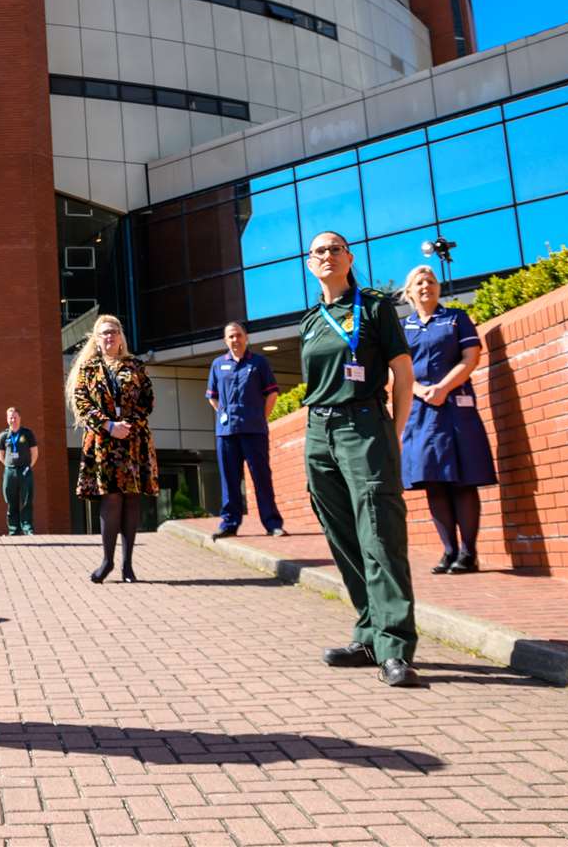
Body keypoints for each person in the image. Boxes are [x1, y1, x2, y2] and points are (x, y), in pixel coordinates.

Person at [300, 230, 420, 687]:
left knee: (379, 535)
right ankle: (369, 634)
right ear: (310, 265)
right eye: (318, 252)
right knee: (343, 537)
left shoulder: (373, 308)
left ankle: (395, 647)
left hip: (364, 426)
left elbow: (402, 373)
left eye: (334, 249)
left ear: (348, 258)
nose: (327, 256)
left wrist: (395, 431)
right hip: (319, 431)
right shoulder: (310, 322)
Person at [400, 265, 496, 575]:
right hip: (421, 413)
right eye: (419, 282)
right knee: (435, 483)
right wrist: (419, 390)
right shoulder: (403, 328)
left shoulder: (457, 319)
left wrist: (443, 388)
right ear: (409, 292)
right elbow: (398, 371)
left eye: (431, 281)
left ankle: (469, 553)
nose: (426, 286)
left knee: (464, 481)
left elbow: (471, 358)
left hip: (455, 408)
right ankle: (449, 550)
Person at [68, 314, 156, 583]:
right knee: (111, 498)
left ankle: (128, 566)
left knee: (131, 498)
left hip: (133, 440)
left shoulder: (136, 366)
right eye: (104, 333)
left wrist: (127, 424)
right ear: (97, 338)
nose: (109, 337)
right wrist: (108, 425)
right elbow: (82, 403)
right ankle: (107, 561)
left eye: (114, 332)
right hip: (103, 443)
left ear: (121, 337)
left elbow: (147, 401)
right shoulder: (88, 368)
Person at [206, 321, 284, 539]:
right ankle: (229, 524)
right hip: (226, 432)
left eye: (238, 335)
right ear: (225, 340)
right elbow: (212, 396)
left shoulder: (259, 363)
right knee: (229, 479)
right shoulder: (217, 364)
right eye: (230, 336)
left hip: (254, 430)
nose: (235, 340)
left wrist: (261, 416)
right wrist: (223, 413)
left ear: (246, 338)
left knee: (261, 477)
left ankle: (272, 523)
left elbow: (272, 393)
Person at [0, 407, 39, 535]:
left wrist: (29, 466)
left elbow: (35, 453)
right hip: (10, 472)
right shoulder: (3, 435)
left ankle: (27, 529)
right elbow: (0, 455)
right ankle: (13, 529)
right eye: (10, 417)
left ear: (20, 418)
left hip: (25, 471)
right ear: (7, 419)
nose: (13, 420)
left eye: (15, 417)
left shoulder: (27, 433)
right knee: (11, 501)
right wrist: (9, 466)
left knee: (26, 500)